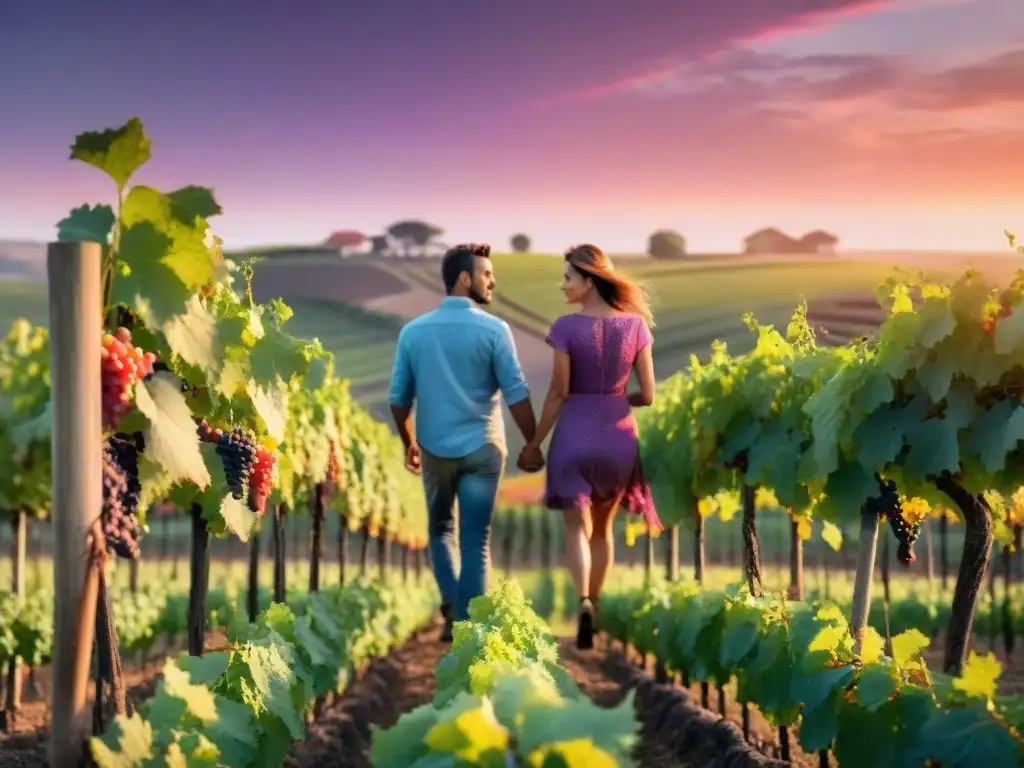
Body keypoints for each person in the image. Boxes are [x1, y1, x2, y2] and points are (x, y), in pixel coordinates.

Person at [388, 243, 543, 642]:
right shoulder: (495, 330)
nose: (493, 281)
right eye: (487, 273)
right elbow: (516, 391)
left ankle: (453, 607)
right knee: (477, 540)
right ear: (465, 278)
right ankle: (469, 629)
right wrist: (532, 442)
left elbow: (398, 399)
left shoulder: (414, 332)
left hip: (436, 448)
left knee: (440, 531)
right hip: (483, 448)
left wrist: (409, 442)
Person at [518, 244, 661, 650]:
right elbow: (648, 395)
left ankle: (580, 598)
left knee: (575, 530)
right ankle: (593, 607)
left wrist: (534, 443)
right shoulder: (636, 327)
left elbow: (559, 392)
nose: (562, 285)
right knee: (602, 530)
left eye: (567, 277)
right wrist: (619, 400)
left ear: (588, 279)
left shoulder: (565, 327)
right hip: (618, 437)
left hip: (573, 434)